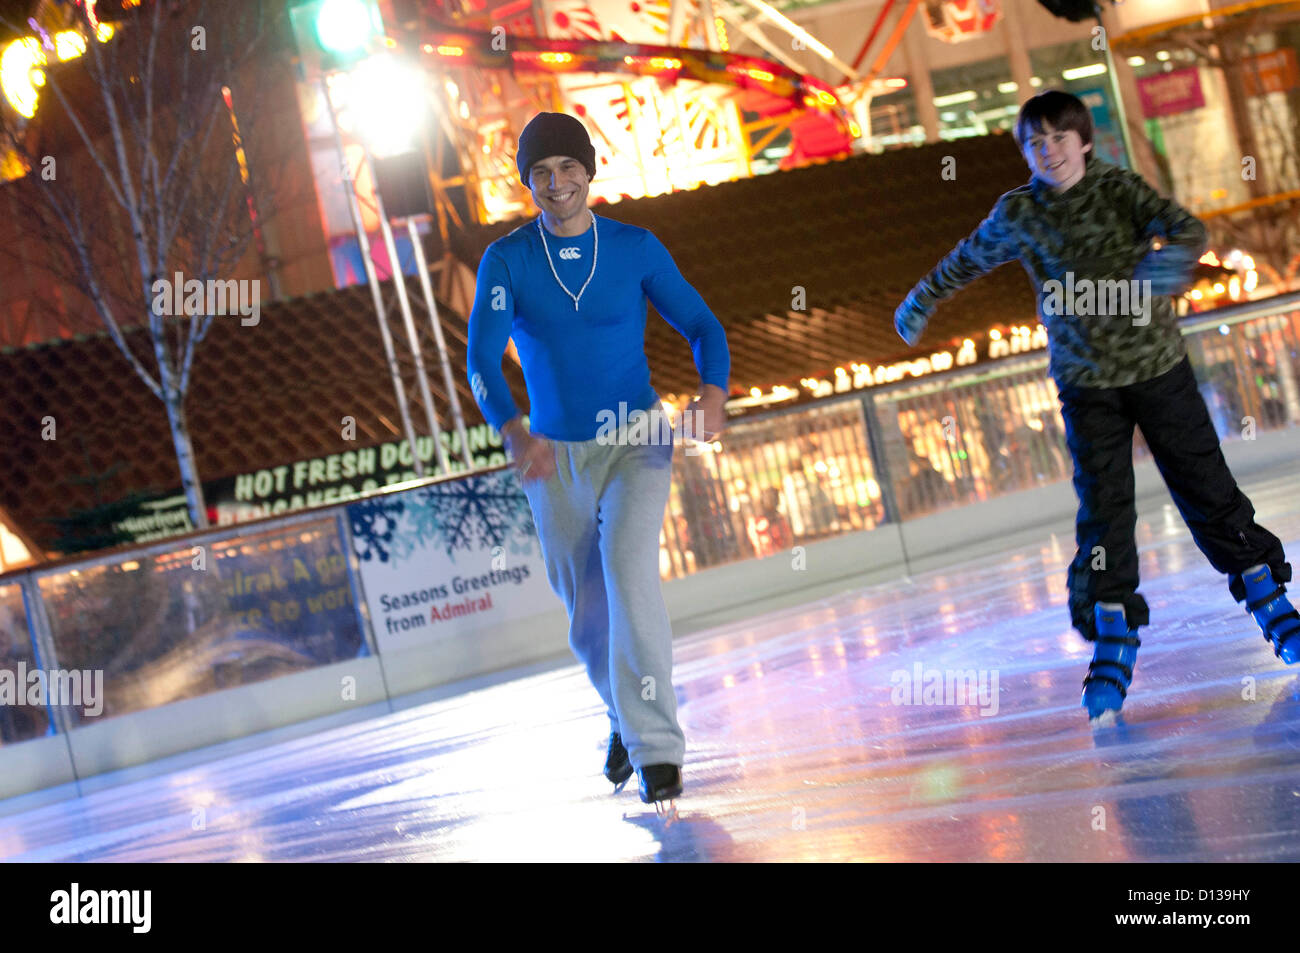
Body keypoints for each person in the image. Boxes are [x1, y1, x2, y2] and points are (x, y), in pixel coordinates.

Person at [894, 89, 1298, 720]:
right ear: (1025, 152)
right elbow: (965, 260)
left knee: (1206, 487)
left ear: (1084, 141)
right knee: (1104, 510)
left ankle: (1266, 594)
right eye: (1035, 142)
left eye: (1059, 137)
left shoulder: (1118, 191)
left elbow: (1188, 228)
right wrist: (921, 299)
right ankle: (1112, 628)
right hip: (1086, 385)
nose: (1049, 151)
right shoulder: (1020, 213)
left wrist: (1168, 268)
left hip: (1157, 370)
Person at [466, 113, 731, 806]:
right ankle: (620, 711)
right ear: (527, 182)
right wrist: (513, 430)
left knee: (628, 573)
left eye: (568, 168)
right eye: (541, 173)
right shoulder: (508, 261)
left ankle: (658, 752)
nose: (557, 184)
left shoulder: (635, 248)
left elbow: (703, 324)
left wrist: (714, 393)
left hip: (639, 437)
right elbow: (481, 359)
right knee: (587, 615)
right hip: (552, 456)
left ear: (590, 171)